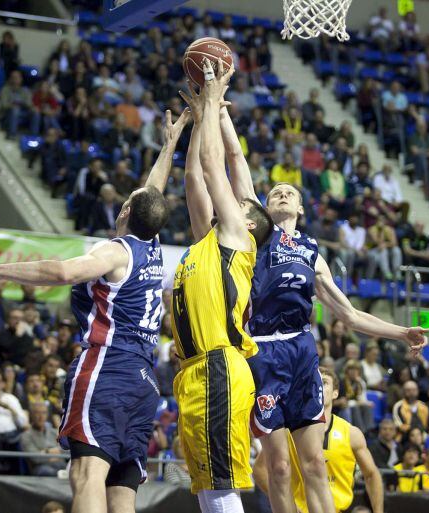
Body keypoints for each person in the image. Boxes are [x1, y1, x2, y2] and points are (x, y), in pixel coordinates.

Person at [0, 108, 189, 511]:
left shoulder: (115, 250)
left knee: (86, 474)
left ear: (125, 212)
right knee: (121, 487)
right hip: (144, 383)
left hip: (107, 367)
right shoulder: (153, 247)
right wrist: (169, 145)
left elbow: (58, 271)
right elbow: (152, 195)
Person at [219, 54, 429, 513]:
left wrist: (402, 332)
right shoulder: (256, 234)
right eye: (275, 191)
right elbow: (236, 161)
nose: (281, 193)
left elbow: (349, 315)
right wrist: (218, 112)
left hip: (301, 351)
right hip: (262, 351)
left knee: (314, 464)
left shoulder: (313, 253)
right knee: (277, 469)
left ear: (301, 208)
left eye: (289, 192)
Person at [172, 60, 271, 513]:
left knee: (223, 483)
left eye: (239, 202)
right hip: (193, 370)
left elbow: (217, 163)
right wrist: (196, 121)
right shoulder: (207, 242)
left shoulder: (239, 236)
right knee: (207, 487)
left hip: (220, 365)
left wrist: (213, 98)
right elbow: (195, 176)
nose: (229, 199)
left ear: (248, 220)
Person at [253, 367, 384, 513]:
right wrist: (288, 504)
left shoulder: (351, 433)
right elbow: (259, 470)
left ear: (335, 393)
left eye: (324, 382)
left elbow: (372, 474)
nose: (318, 386)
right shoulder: (287, 431)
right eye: (314, 381)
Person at [21, 402, 67, 476]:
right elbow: (35, 458)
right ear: (31, 415)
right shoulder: (26, 436)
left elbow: (67, 451)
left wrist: (45, 452)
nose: (41, 416)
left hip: (60, 465)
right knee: (48, 471)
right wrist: (49, 451)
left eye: (44, 413)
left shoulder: (54, 432)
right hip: (41, 468)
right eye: (37, 413)